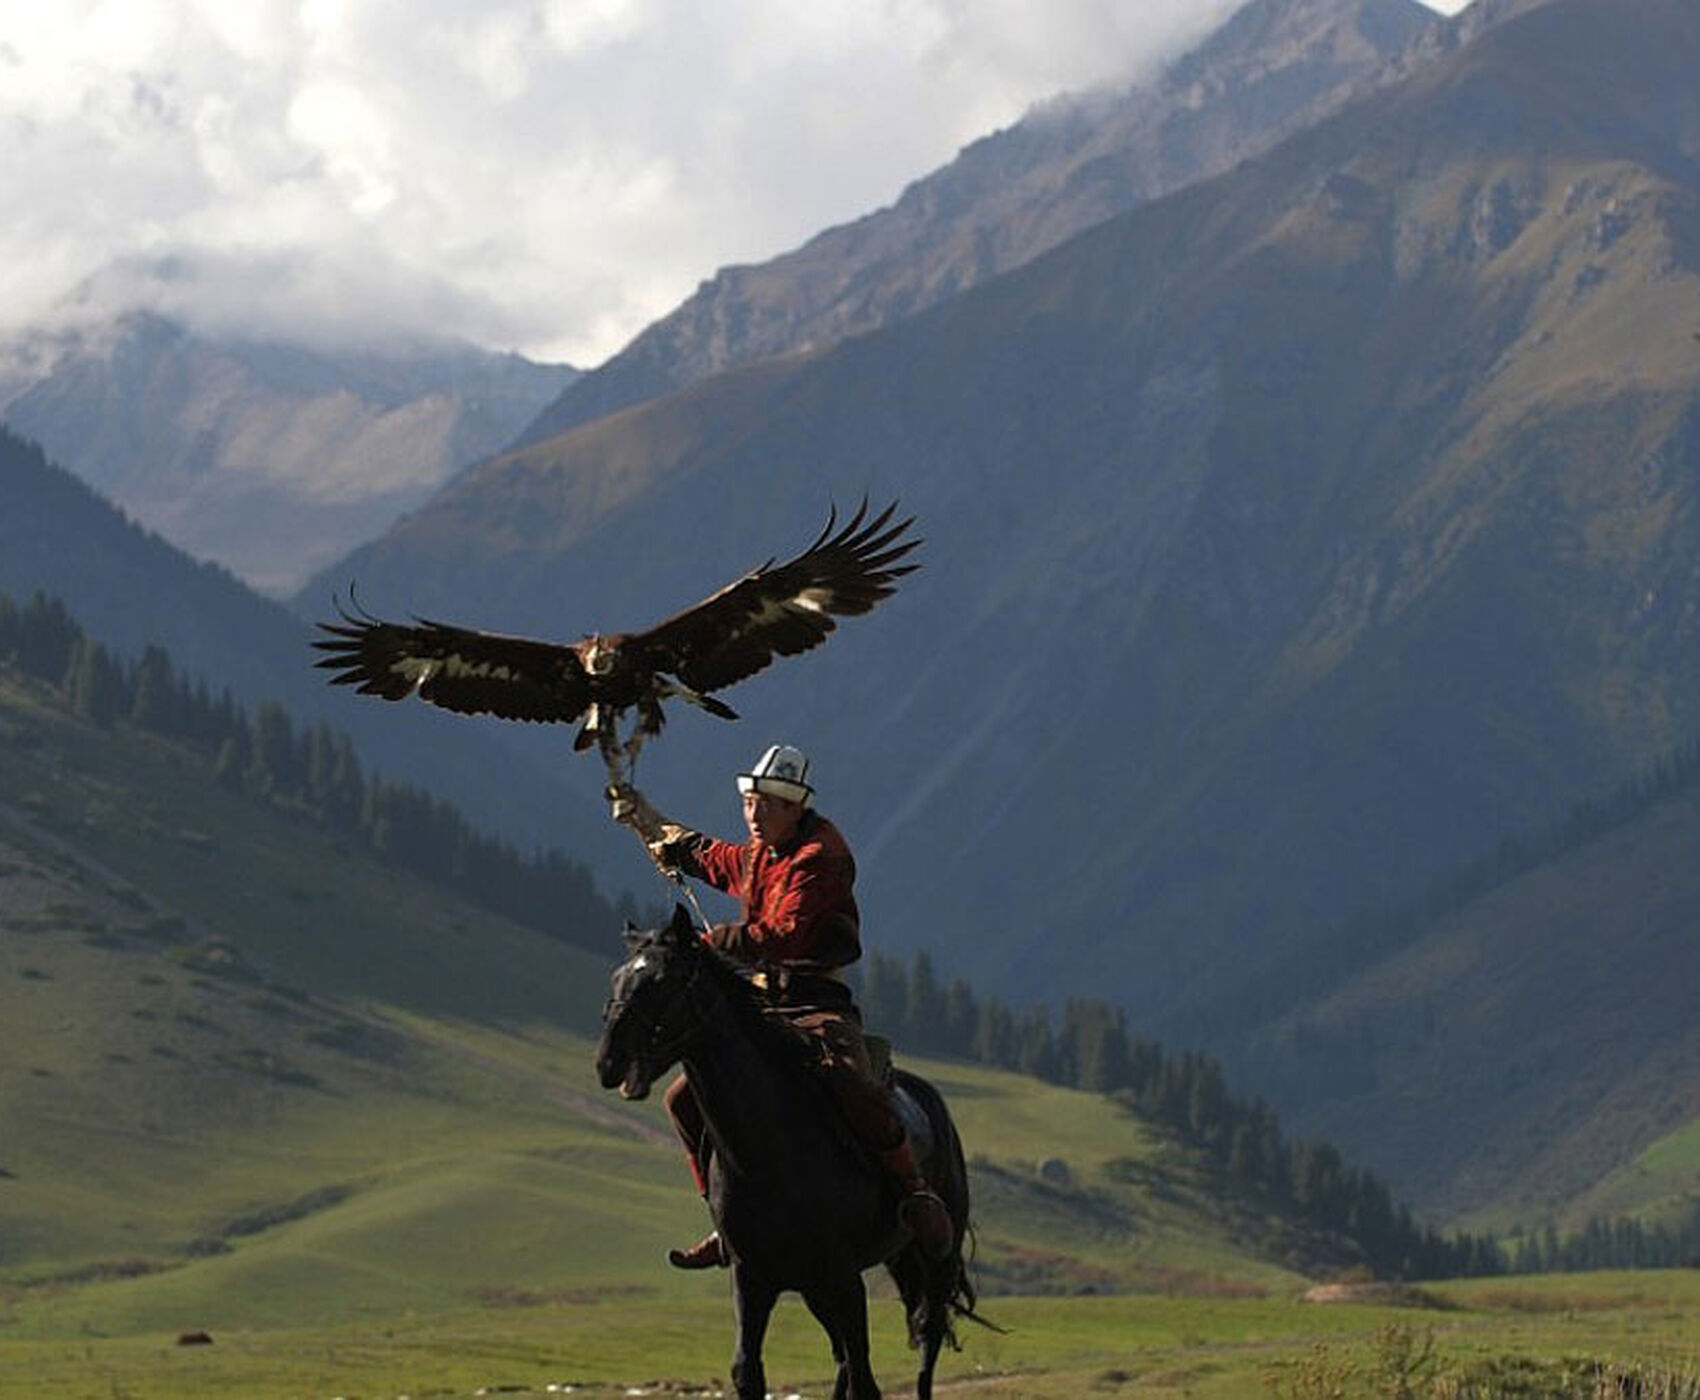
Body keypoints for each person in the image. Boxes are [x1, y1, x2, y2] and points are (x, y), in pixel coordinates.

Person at [610, 743, 954, 1269]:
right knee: (682, 1100)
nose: (753, 814)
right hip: (764, 1004)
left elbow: (781, 935)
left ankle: (915, 1192)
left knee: (852, 1083)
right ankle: (725, 1218)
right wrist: (644, 815)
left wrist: (706, 946)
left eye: (766, 804)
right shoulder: (760, 853)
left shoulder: (821, 858)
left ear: (794, 808)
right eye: (750, 803)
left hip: (818, 1002)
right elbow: (704, 854)